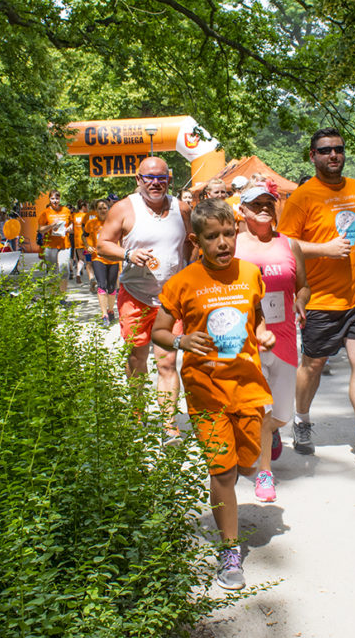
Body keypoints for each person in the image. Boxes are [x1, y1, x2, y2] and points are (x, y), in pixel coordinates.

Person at [151, 199, 275, 591]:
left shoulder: (251, 273)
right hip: (206, 389)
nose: (223, 243)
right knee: (222, 470)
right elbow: (159, 332)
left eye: (228, 234)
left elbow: (257, 319)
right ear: (196, 240)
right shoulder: (182, 283)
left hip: (248, 385)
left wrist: (264, 334)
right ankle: (230, 550)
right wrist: (182, 339)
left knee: (249, 465)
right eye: (212, 237)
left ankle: (237, 490)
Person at [276, 128, 355, 462]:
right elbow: (286, 246)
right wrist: (324, 249)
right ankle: (301, 418)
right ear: (312, 156)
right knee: (313, 366)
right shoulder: (302, 197)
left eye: (338, 149)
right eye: (325, 150)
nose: (334, 156)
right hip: (322, 301)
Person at [97, 156, 192, 432]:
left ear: (169, 179)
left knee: (168, 361)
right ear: (139, 180)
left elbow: (191, 243)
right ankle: (137, 413)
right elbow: (102, 244)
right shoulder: (124, 208)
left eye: (161, 178)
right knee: (137, 359)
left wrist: (189, 271)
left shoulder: (181, 208)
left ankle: (169, 423)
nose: (155, 183)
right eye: (149, 178)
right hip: (135, 295)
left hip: (170, 299)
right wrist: (128, 253)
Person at [234, 180, 310, 503]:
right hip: (246, 337)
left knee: (280, 414)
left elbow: (304, 285)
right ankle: (264, 472)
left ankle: (271, 430)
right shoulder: (232, 245)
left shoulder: (289, 245)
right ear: (242, 210)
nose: (265, 208)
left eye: (270, 203)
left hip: (284, 335)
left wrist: (301, 302)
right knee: (256, 406)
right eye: (256, 204)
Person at [85, 199, 117, 326]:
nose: (103, 210)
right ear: (96, 210)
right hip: (98, 258)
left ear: (108, 209)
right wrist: (87, 245)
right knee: (102, 285)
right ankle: (104, 314)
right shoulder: (91, 223)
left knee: (111, 287)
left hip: (113, 258)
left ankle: (111, 310)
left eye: (105, 208)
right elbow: (84, 235)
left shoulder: (114, 222)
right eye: (100, 208)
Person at [37, 190, 73, 294]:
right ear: (49, 199)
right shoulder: (45, 213)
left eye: (57, 198)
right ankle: (52, 296)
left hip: (64, 244)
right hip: (50, 245)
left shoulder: (66, 210)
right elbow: (41, 229)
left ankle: (62, 296)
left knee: (64, 270)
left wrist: (70, 228)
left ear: (60, 199)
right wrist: (51, 225)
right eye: (53, 198)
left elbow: (71, 223)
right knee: (52, 271)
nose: (55, 201)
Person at [72, 200, 90, 285]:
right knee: (89, 260)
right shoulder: (86, 216)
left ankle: (78, 273)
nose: (88, 208)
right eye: (87, 206)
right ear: (83, 207)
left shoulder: (74, 216)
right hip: (86, 240)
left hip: (77, 240)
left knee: (81, 259)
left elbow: (71, 228)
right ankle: (92, 278)